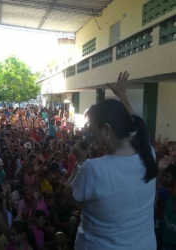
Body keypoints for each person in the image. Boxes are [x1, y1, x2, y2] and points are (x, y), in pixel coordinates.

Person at [64, 71, 158, 250]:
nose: (90, 134)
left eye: (92, 129)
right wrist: (122, 95)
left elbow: (69, 198)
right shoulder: (148, 153)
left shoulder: (93, 169)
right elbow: (135, 126)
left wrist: (79, 162)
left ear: (107, 129)